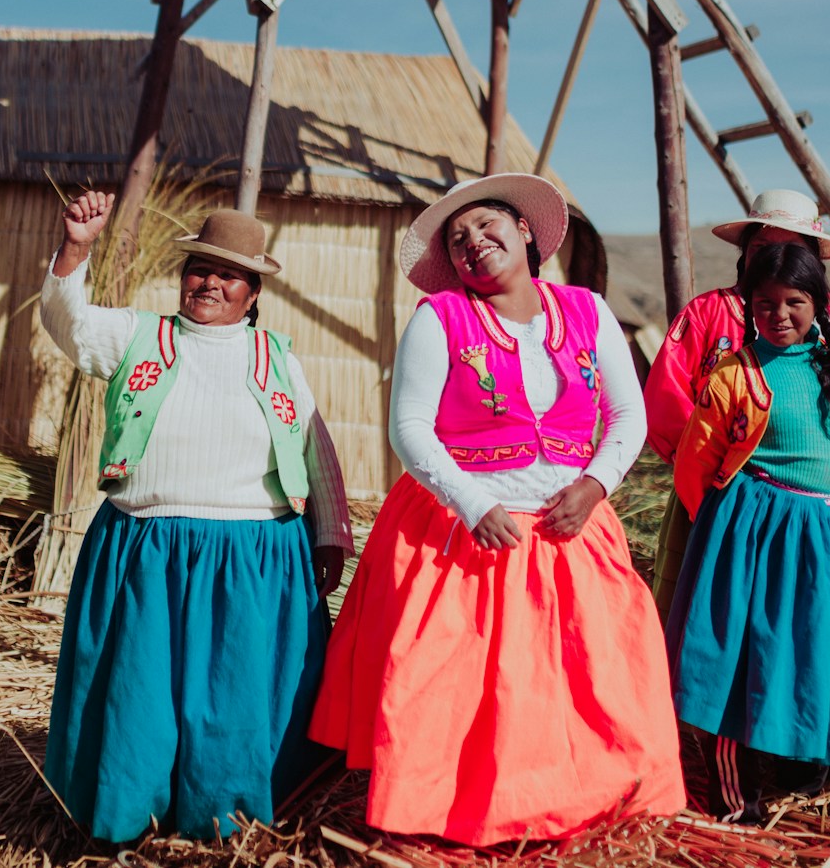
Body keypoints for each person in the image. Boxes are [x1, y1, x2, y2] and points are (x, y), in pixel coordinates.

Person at [309, 174, 683, 845]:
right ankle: (457, 809)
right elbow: (411, 428)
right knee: (465, 684)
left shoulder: (589, 313)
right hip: (468, 530)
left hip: (572, 527)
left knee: (585, 675)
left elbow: (628, 413)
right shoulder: (441, 319)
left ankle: (582, 803)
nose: (474, 245)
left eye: (487, 228)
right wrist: (474, 502)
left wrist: (596, 485)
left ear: (525, 234)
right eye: (458, 242)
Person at [40, 191, 354, 841]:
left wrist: (328, 531)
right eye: (200, 269)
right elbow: (65, 323)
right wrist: (77, 247)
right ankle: (133, 814)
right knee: (142, 695)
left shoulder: (277, 359)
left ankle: (229, 819)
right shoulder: (138, 336)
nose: (209, 282)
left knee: (233, 700)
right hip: (148, 549)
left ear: (252, 291)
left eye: (228, 274)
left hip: (254, 556)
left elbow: (313, 445)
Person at [666, 242, 830, 823]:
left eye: (794, 302)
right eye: (765, 304)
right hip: (750, 533)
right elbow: (694, 464)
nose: (779, 315)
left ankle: (805, 783)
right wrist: (725, 535)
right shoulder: (733, 373)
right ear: (749, 306)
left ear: (820, 303)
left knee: (817, 652)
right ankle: (739, 797)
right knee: (743, 655)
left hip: (825, 535)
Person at [642, 189, 830, 616]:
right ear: (744, 253)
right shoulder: (708, 312)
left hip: (819, 504)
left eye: (791, 248)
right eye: (762, 248)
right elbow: (666, 396)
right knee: (715, 607)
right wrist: (708, 480)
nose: (774, 257)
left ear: (813, 260)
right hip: (717, 492)